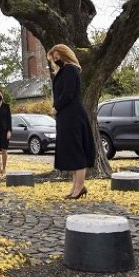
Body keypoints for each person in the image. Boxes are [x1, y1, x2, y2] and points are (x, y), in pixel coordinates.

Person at [49, 43, 95, 199]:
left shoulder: (70, 70)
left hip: (72, 115)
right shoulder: (64, 71)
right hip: (66, 115)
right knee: (71, 151)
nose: (56, 60)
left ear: (65, 54)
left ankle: (80, 187)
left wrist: (56, 107)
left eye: (57, 57)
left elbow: (68, 93)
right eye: (54, 58)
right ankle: (76, 187)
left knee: (76, 152)